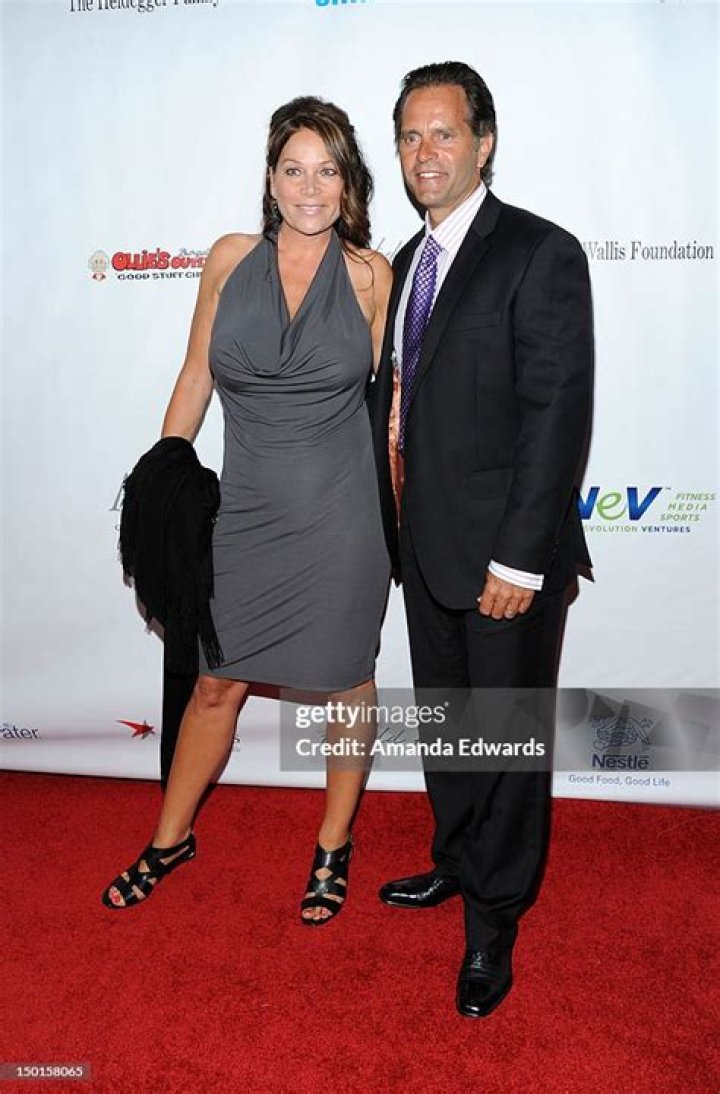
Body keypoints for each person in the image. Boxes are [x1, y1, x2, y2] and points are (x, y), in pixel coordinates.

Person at [102, 96, 392, 925]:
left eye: (327, 171)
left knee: (347, 684)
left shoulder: (371, 276)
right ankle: (170, 838)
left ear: (348, 182)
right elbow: (198, 373)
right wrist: (164, 477)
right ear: (270, 179)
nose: (310, 188)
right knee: (214, 685)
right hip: (246, 515)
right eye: (294, 170)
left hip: (341, 520)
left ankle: (333, 844)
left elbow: (389, 403)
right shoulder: (229, 260)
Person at [369, 62, 593, 1016]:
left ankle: (494, 924)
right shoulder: (407, 262)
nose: (425, 152)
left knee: (505, 745)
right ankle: (458, 861)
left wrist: (520, 559)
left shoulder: (540, 251)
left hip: (505, 561)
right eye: (410, 136)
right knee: (452, 731)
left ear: (484, 142)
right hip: (425, 550)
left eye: (444, 133)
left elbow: (556, 415)